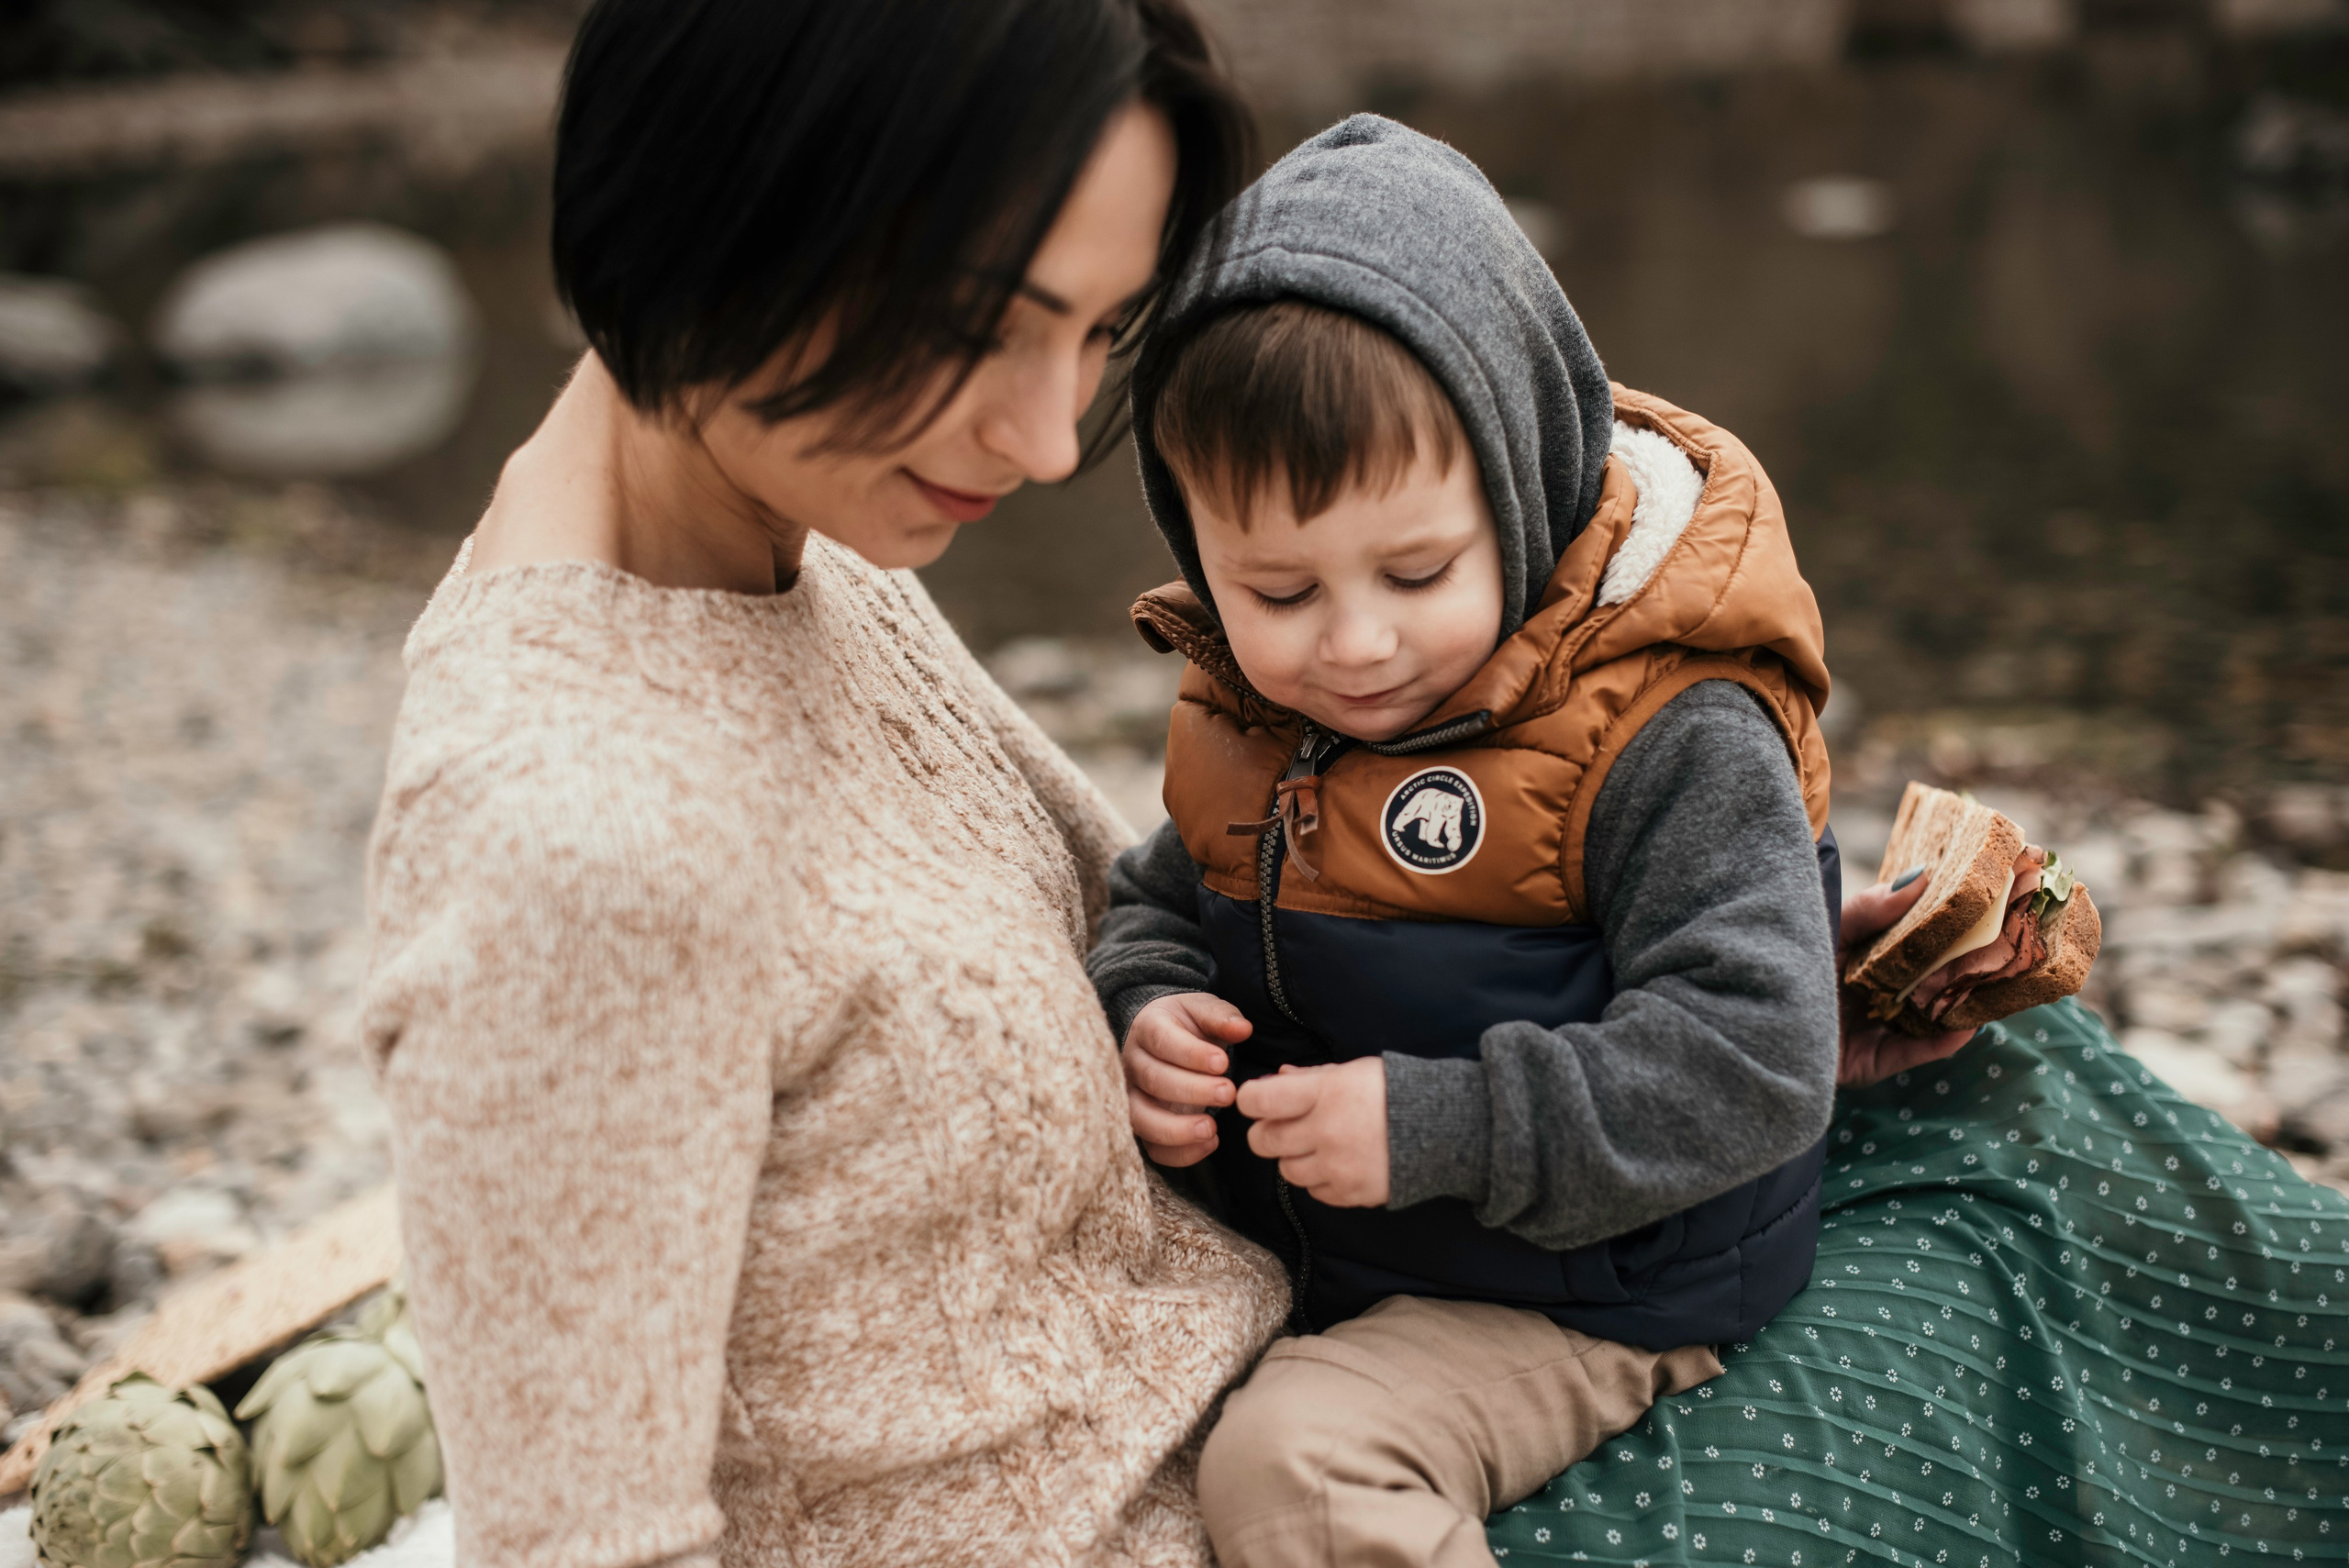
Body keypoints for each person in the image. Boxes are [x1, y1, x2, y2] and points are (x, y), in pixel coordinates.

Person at [358, 4, 1293, 1565]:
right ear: (730, 196)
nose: (1048, 437)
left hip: (1308, 1447)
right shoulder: (574, 842)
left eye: (1098, 330)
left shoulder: (795, 535)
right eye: (980, 324)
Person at [1086, 117, 1847, 1568]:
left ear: (1522, 485)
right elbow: (1164, 893)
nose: (1356, 643)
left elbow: (1759, 1055)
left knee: (1293, 1467)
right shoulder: (1255, 709)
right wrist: (1149, 1005)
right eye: (1279, 591)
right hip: (1350, 1240)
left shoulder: (1670, 729)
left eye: (1418, 570)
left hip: (1587, 1281)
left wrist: (1439, 1125)